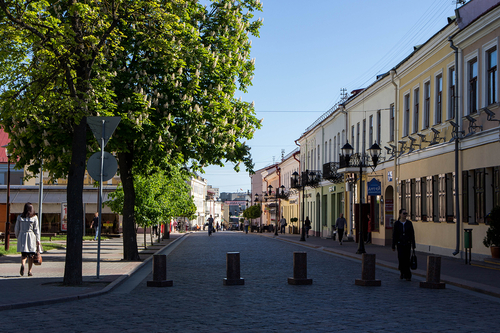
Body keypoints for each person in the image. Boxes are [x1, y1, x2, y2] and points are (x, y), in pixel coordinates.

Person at [15, 202, 40, 277]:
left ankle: (23, 265)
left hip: (22, 236)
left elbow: (16, 228)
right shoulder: (34, 217)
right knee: (31, 255)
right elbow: (36, 229)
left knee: (23, 254)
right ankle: (29, 271)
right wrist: (38, 239)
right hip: (31, 237)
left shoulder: (20, 217)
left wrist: (18, 236)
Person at [392, 209, 416, 281]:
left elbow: (412, 234)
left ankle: (407, 275)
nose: (405, 215)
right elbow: (394, 235)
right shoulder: (397, 224)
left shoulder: (409, 223)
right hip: (400, 244)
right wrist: (393, 245)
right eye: (404, 213)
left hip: (407, 244)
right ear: (400, 214)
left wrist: (413, 244)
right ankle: (402, 272)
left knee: (407, 259)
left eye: (406, 213)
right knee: (401, 259)